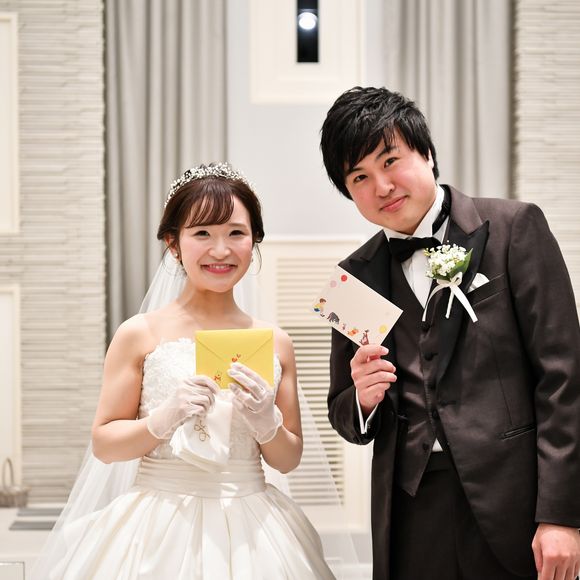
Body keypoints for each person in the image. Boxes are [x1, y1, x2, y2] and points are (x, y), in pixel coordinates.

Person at [319, 86, 580, 580]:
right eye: (360, 177)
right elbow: (343, 415)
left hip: (516, 503)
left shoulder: (514, 228)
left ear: (427, 153)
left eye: (390, 161)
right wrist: (363, 400)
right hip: (411, 512)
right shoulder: (352, 280)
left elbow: (564, 380)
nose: (382, 186)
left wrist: (562, 515)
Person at [33, 163, 335, 579]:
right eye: (202, 233)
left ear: (254, 241)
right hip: (157, 526)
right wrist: (163, 419)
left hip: (255, 527)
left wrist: (267, 423)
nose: (221, 250)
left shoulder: (276, 342)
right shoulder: (139, 333)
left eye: (236, 233)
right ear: (173, 244)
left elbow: (288, 460)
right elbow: (104, 445)